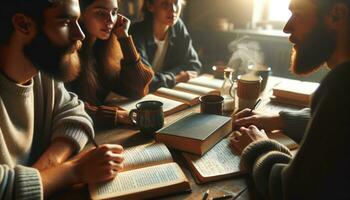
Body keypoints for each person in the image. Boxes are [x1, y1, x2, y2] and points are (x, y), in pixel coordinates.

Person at [0, 0, 124, 199]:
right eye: (66, 22)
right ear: (23, 25)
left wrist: (44, 171)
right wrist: (74, 170)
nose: (80, 35)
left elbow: (75, 113)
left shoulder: (41, 73)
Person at [230, 0, 350, 199]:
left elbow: (290, 191)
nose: (287, 27)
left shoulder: (342, 84)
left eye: (298, 14)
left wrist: (258, 145)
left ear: (336, 15)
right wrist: (281, 120)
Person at [66, 0, 154, 129]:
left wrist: (124, 37)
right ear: (80, 13)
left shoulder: (104, 46)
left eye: (114, 12)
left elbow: (138, 90)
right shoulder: (67, 52)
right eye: (101, 13)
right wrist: (118, 116)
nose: (111, 20)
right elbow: (66, 107)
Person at [130, 0, 202, 92]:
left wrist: (159, 79)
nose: (174, 10)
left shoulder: (178, 26)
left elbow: (194, 65)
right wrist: (175, 79)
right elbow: (143, 80)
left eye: (176, 3)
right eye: (165, 4)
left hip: (165, 91)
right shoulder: (136, 33)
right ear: (150, 6)